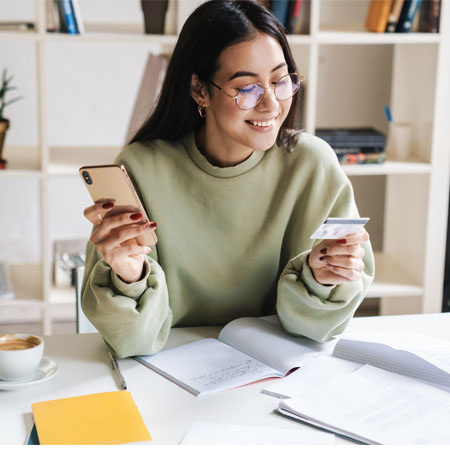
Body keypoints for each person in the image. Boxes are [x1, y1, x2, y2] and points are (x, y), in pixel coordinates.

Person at [81, 0, 374, 358]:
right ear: (199, 90)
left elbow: (315, 332)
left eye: (281, 81)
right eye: (247, 88)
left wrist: (322, 279)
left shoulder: (313, 166)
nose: (271, 104)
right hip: (167, 372)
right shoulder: (141, 168)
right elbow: (133, 342)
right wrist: (129, 275)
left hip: (278, 371)